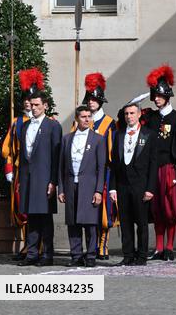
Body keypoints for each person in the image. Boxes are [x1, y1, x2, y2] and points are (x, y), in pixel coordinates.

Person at [141, 64, 176, 262]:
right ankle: (159, 247)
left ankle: (170, 247)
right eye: (154, 95)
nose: (156, 99)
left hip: (171, 169)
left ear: (168, 96)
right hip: (153, 170)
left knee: (170, 210)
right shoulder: (150, 118)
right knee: (156, 210)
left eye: (159, 96)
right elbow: (126, 116)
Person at [17, 72, 62, 267]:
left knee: (45, 218)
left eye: (37, 105)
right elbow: (23, 155)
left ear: (45, 106)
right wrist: (20, 179)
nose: (33, 108)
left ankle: (47, 255)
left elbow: (56, 156)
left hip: (45, 179)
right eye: (32, 104)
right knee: (32, 218)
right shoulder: (25, 126)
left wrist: (53, 181)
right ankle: (32, 254)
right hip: (28, 178)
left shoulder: (53, 126)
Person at [109, 101, 158, 266]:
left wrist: (150, 188)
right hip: (122, 185)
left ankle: (142, 256)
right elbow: (115, 164)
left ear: (139, 115)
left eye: (132, 113)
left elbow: (153, 164)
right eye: (126, 114)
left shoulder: (149, 134)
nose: (129, 116)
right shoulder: (119, 135)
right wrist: (113, 187)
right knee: (125, 222)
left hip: (141, 185)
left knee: (142, 223)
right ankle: (128, 255)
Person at [58, 105, 106, 267]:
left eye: (89, 116)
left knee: (90, 223)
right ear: (77, 119)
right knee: (73, 223)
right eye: (83, 117)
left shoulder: (98, 139)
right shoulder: (66, 139)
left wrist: (99, 190)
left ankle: (91, 255)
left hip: (89, 186)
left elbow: (101, 168)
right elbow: (61, 167)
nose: (87, 119)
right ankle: (76, 255)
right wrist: (62, 189)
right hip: (71, 185)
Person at [77, 72, 117, 260]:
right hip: (83, 173)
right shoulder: (81, 121)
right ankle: (88, 247)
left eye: (94, 99)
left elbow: (112, 151)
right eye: (89, 99)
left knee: (103, 211)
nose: (91, 102)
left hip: (103, 170)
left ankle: (103, 245)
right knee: (85, 210)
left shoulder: (109, 123)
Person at [1, 80, 32, 258]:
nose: (27, 102)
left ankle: (36, 246)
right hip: (21, 170)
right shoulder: (16, 122)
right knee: (21, 208)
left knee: (36, 209)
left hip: (37, 171)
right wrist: (8, 169)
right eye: (25, 99)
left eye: (30, 99)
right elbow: (7, 150)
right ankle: (26, 244)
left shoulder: (48, 121)